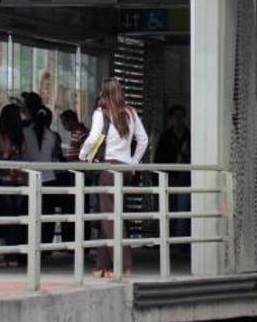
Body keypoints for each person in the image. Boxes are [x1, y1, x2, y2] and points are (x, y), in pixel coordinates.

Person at [79, 78, 148, 278]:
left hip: (108, 169)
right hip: (125, 169)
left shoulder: (101, 113)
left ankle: (124, 264)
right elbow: (143, 140)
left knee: (109, 217)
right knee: (111, 214)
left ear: (104, 93)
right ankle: (102, 266)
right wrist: (133, 163)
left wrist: (82, 155)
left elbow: (93, 138)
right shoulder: (131, 112)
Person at [25, 106, 65, 245]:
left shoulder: (25, 133)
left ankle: (31, 243)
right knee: (47, 216)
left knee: (31, 213)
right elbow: (56, 157)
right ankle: (46, 244)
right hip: (49, 178)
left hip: (30, 179)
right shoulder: (52, 136)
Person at [0, 103, 28, 259]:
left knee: (7, 217)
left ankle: (10, 252)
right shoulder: (21, 138)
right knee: (17, 217)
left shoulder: (1, 136)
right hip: (19, 179)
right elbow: (23, 152)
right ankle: (17, 252)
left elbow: (3, 154)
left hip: (4, 179)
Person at [154, 104, 192, 235]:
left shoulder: (190, 136)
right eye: (177, 116)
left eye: (182, 116)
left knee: (183, 211)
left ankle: (181, 241)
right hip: (169, 179)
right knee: (169, 210)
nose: (180, 119)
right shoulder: (165, 137)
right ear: (171, 119)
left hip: (186, 179)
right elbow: (159, 160)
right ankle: (169, 239)